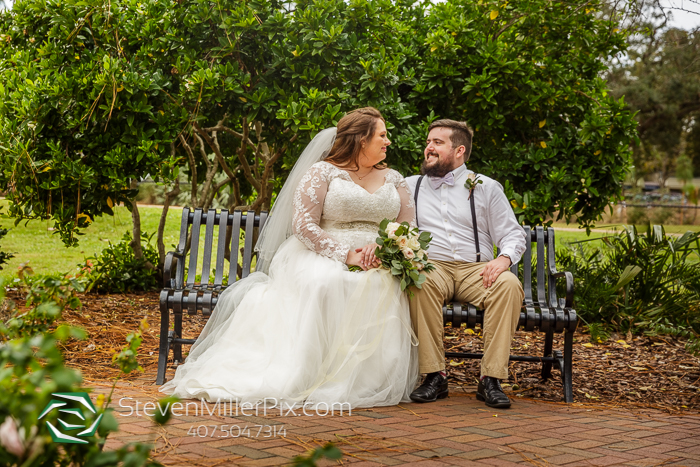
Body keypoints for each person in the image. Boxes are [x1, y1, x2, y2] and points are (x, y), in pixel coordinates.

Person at [160, 107, 419, 409]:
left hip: (378, 259)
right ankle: (309, 374)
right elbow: (303, 225)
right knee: (327, 282)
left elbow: (407, 225)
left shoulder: (395, 178)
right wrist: (345, 254)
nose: (388, 142)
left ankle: (367, 381)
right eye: (382, 135)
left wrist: (385, 246)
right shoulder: (322, 172)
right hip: (322, 252)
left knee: (383, 288)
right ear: (361, 139)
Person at [405, 119, 527, 408]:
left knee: (509, 285)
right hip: (433, 266)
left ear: (459, 150)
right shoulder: (411, 186)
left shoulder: (486, 186)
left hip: (477, 270)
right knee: (417, 282)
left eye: (437, 143)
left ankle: (491, 379)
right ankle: (435, 375)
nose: (428, 148)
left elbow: (512, 233)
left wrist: (504, 258)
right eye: (428, 142)